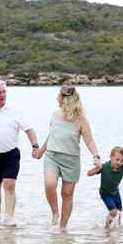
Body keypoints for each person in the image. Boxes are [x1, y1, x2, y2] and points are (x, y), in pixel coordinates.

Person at [0, 80, 42, 226]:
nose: (2, 95)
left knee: (9, 184)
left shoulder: (15, 109)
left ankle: (10, 217)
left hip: (11, 153)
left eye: (4, 92)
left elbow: (29, 129)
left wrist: (35, 146)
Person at [35, 86, 102, 228]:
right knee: (49, 184)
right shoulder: (55, 114)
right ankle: (55, 213)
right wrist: (41, 150)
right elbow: (52, 134)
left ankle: (62, 228)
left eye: (58, 96)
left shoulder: (81, 120)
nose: (56, 99)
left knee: (67, 194)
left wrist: (95, 156)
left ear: (66, 98)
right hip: (52, 156)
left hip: (71, 161)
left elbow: (89, 140)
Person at [87, 146, 123, 228]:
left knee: (120, 210)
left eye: (121, 161)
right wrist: (98, 168)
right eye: (117, 159)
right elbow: (89, 173)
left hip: (115, 192)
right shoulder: (104, 167)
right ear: (111, 156)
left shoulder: (122, 168)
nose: (119, 162)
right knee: (113, 211)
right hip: (105, 193)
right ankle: (106, 228)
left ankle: (118, 225)